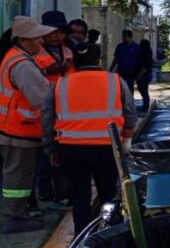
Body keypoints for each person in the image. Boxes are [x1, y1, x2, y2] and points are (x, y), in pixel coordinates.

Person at [42, 42, 136, 234]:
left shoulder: (59, 85)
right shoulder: (116, 81)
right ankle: (111, 235)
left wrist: (51, 150)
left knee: (79, 198)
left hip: (70, 150)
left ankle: (82, 238)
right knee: (109, 196)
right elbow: (130, 114)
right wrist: (126, 141)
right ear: (99, 60)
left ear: (73, 62)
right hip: (107, 149)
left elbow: (47, 120)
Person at [0, 17, 55, 233]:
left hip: (14, 129)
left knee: (18, 176)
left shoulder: (14, 58)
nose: (41, 41)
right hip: (20, 132)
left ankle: (18, 213)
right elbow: (41, 101)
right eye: (36, 37)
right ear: (23, 40)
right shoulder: (23, 65)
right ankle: (14, 217)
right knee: (18, 178)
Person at [33, 11, 74, 206]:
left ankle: (61, 192)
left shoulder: (69, 50)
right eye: (54, 32)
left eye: (61, 32)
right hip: (43, 108)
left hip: (64, 108)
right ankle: (44, 191)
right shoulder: (36, 51)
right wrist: (50, 70)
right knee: (44, 153)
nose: (58, 36)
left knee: (60, 153)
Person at [109, 30, 140, 96]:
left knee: (130, 88)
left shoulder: (136, 47)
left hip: (131, 72)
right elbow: (116, 58)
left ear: (130, 37)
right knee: (120, 87)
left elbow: (139, 60)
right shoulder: (120, 46)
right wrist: (111, 68)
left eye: (125, 36)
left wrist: (138, 71)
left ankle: (130, 100)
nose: (123, 38)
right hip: (121, 71)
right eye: (123, 36)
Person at [136, 39, 154, 111]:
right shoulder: (145, 53)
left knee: (143, 90)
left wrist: (139, 76)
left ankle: (146, 106)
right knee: (142, 89)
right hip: (145, 74)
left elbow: (146, 67)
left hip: (145, 75)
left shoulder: (146, 54)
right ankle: (145, 104)